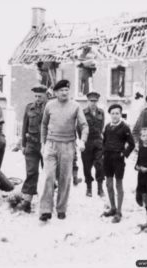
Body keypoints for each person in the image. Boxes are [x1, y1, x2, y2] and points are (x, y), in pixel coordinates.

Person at [39, 79, 89, 221]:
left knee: (64, 178)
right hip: (51, 144)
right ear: (55, 92)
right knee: (49, 176)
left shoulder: (75, 106)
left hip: (68, 145)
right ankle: (45, 210)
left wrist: (83, 141)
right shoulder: (49, 105)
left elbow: (84, 125)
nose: (64, 92)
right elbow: (43, 124)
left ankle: (61, 209)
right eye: (61, 90)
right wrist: (43, 143)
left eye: (67, 90)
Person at [102, 104, 135, 223]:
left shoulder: (125, 127)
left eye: (117, 113)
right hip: (107, 158)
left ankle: (119, 211)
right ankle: (112, 208)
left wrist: (124, 154)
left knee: (118, 185)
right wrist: (103, 153)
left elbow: (132, 144)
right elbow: (104, 141)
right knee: (109, 185)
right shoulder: (107, 126)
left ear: (121, 114)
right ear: (110, 114)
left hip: (118, 159)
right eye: (113, 113)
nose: (115, 115)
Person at [19, 85, 47, 213]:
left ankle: (49, 201)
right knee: (31, 172)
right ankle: (27, 201)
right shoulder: (29, 107)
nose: (37, 99)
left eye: (40, 96)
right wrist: (23, 145)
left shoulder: (50, 108)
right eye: (35, 96)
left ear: (45, 95)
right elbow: (24, 127)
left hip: (46, 145)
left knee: (49, 173)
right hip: (31, 144)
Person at [78, 91, 105, 197]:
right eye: (91, 101)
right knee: (87, 166)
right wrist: (82, 141)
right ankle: (89, 188)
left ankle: (100, 188)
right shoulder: (83, 113)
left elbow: (101, 126)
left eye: (95, 101)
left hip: (98, 142)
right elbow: (78, 128)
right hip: (87, 142)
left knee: (100, 165)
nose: (93, 103)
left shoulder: (101, 112)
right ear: (87, 101)